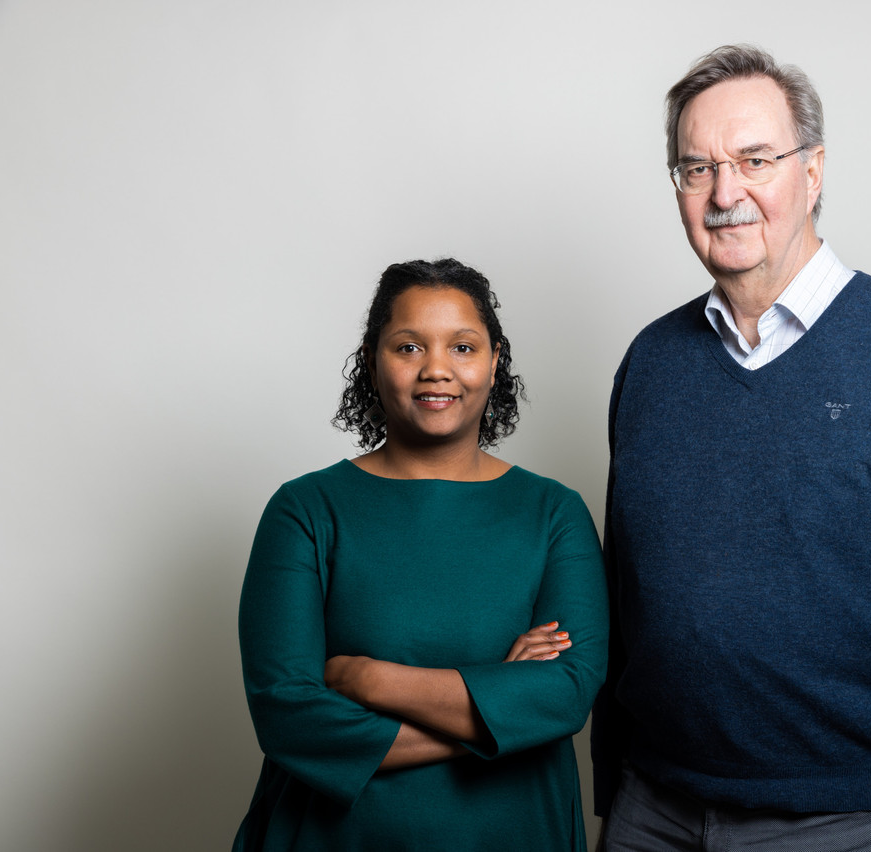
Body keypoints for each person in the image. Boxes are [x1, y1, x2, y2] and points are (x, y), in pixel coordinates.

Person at [591, 45, 871, 852]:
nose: (725, 194)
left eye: (755, 160)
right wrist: (614, 796)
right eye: (695, 168)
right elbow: (625, 595)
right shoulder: (649, 364)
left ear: (812, 173)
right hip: (655, 812)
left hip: (852, 823)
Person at [233, 258, 608, 851]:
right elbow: (288, 717)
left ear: (494, 362)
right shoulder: (304, 510)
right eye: (409, 347)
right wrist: (502, 704)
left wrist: (370, 679)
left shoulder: (554, 513)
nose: (437, 369)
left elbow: (565, 694)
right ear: (373, 361)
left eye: (463, 346)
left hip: (514, 834)